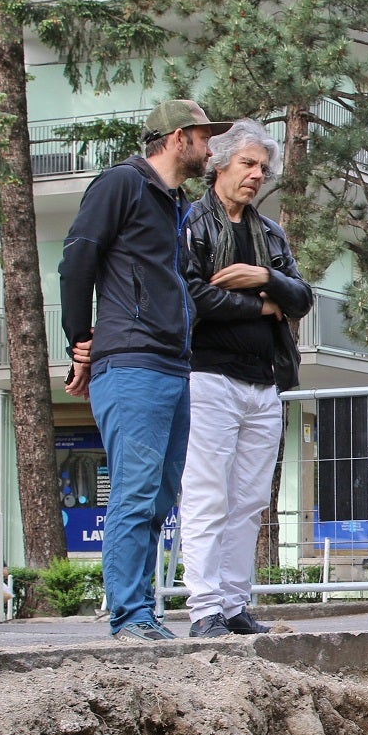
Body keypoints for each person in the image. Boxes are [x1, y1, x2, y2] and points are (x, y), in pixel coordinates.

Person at [59, 99, 231, 642]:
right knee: (135, 493)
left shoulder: (173, 204)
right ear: (178, 138)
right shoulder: (122, 184)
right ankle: (130, 616)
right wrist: (80, 339)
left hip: (171, 364)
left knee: (158, 496)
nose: (212, 150)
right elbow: (78, 258)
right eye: (206, 138)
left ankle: (144, 615)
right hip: (132, 361)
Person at [178, 120, 314, 638]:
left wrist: (263, 277)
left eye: (262, 167)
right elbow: (194, 298)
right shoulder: (193, 222)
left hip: (265, 381)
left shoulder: (270, 234)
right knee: (208, 494)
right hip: (209, 377)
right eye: (247, 164)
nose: (256, 175)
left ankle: (234, 604)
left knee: (251, 499)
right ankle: (204, 608)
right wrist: (263, 305)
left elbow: (301, 298)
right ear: (219, 164)